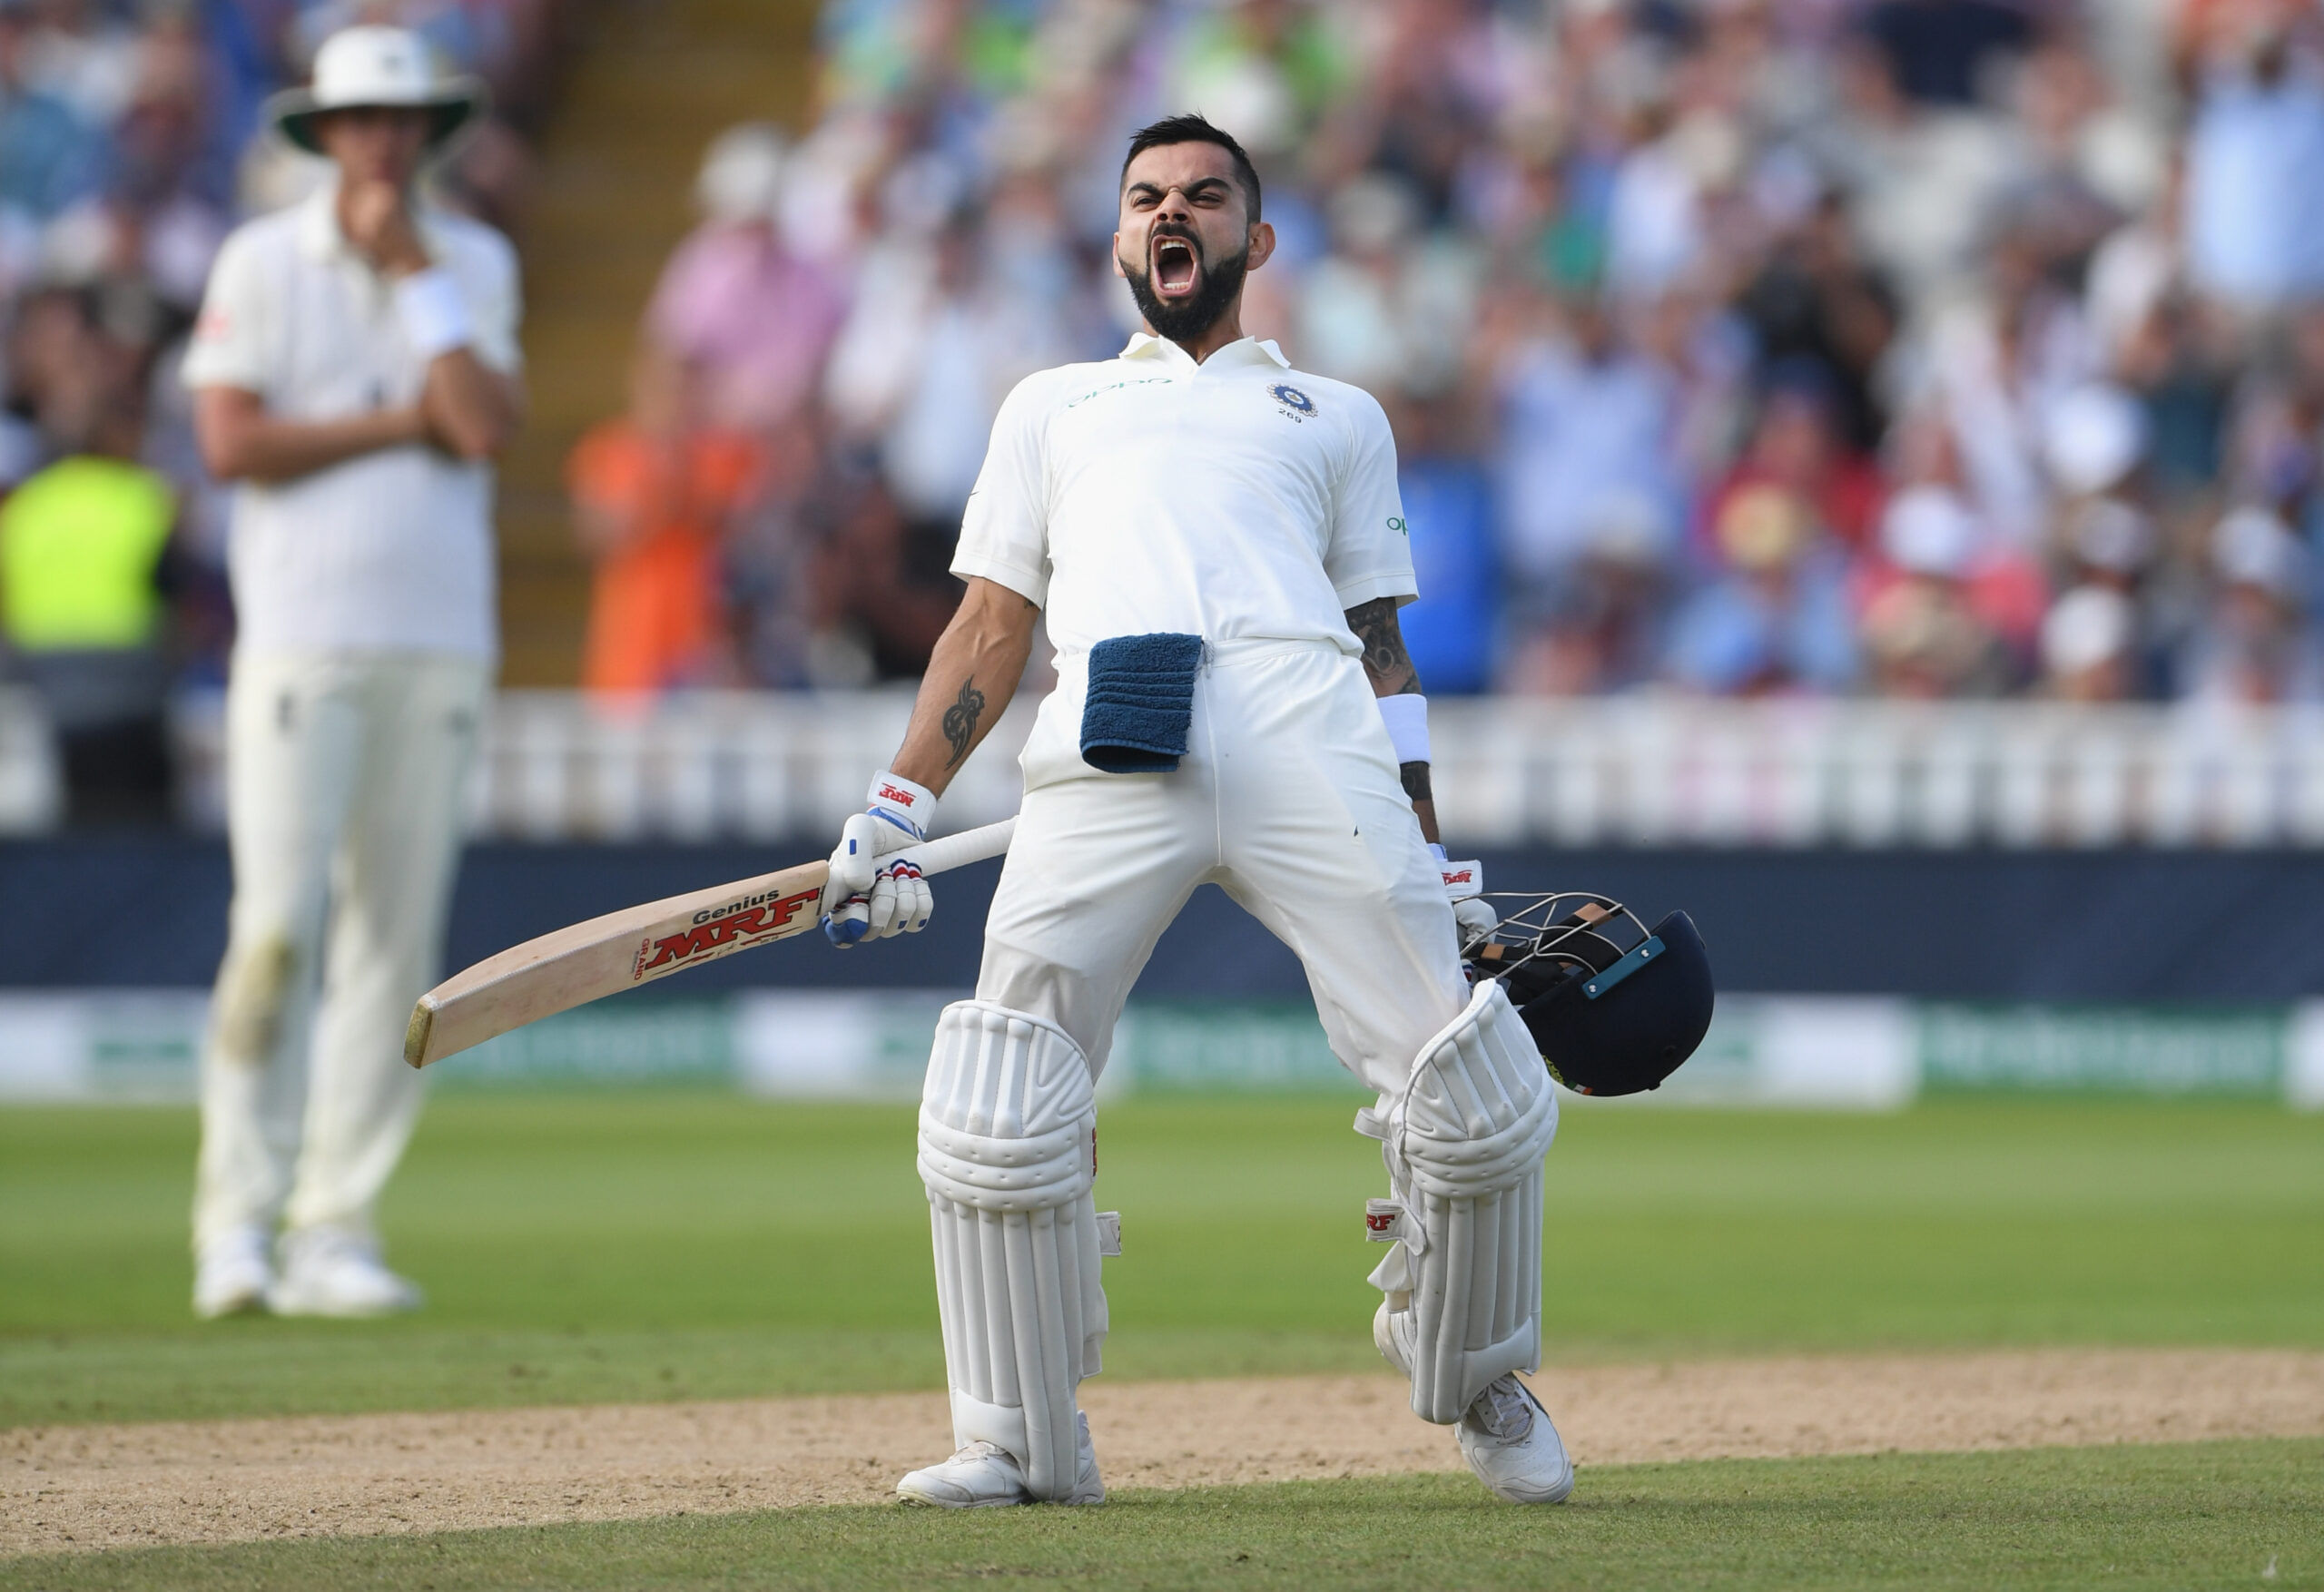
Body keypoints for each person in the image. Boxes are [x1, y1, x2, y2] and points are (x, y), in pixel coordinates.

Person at [816, 115, 1571, 1510]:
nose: (1174, 212)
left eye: (1206, 196)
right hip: (1113, 726)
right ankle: (1017, 1436)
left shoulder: (1336, 413)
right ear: (1118, 237)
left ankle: (1477, 1374)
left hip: (1309, 725)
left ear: (1255, 237)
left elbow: (1384, 651)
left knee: (1462, 1077)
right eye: (1147, 196)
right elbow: (989, 625)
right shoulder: (1053, 406)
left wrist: (1430, 841)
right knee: (1003, 1090)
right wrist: (896, 805)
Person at [181, 25, 523, 1319]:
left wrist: (413, 275)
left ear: (426, 132)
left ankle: (333, 1226)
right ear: (325, 132)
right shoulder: (262, 259)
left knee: (392, 947)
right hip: (301, 636)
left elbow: (478, 425)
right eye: (363, 119)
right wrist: (397, 422)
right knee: (274, 930)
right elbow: (229, 443)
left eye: (402, 118)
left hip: (438, 640)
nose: (384, 140)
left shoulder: (470, 261)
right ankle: (235, 1225)